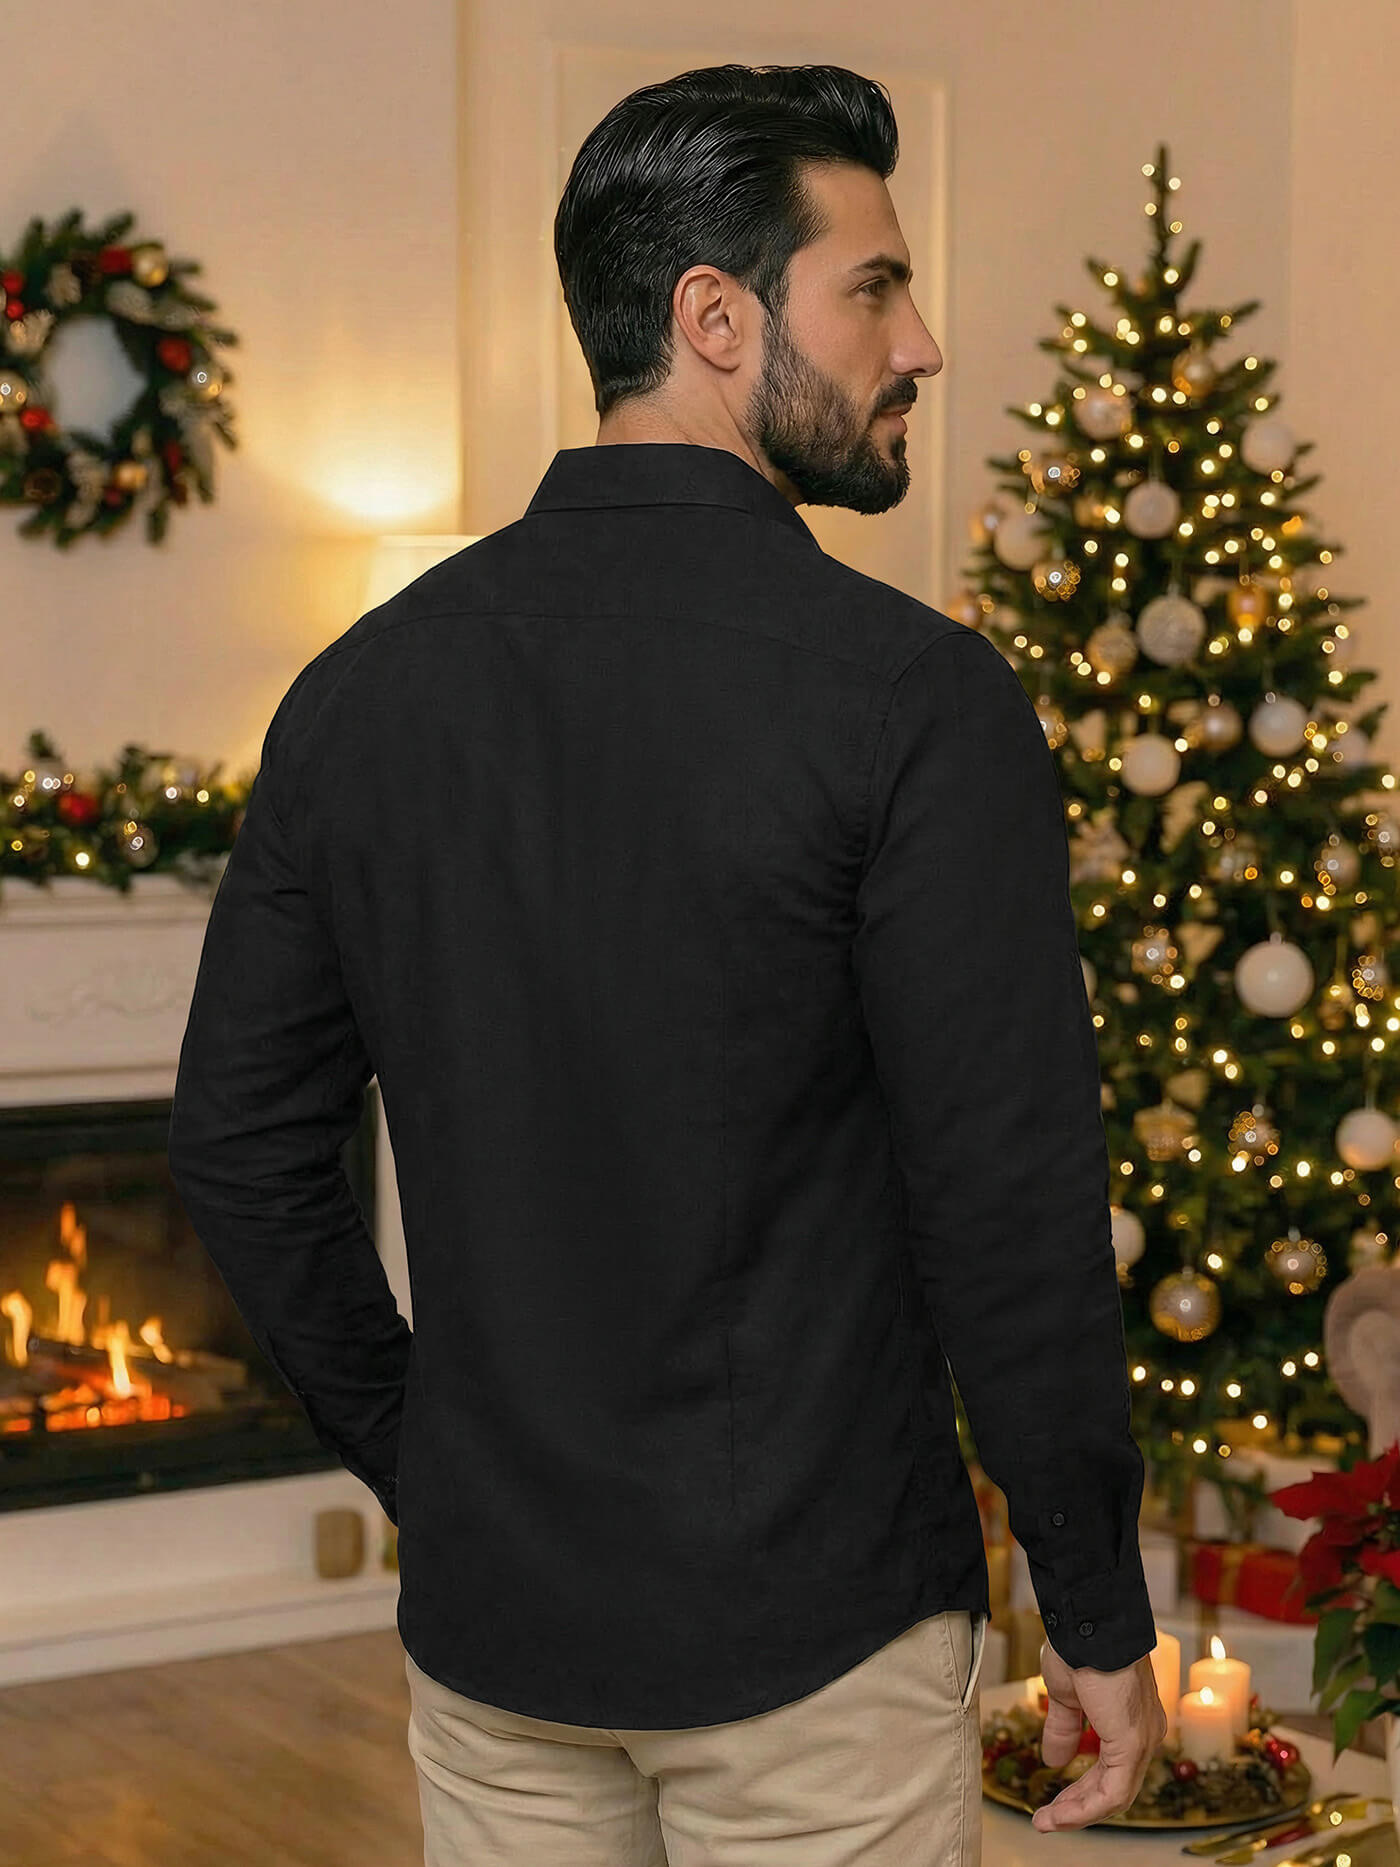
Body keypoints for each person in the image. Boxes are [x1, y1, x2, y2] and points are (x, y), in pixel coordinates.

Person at [166, 60, 1167, 1867]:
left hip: (501, 1635)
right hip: (815, 1640)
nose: (922, 343)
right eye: (876, 286)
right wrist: (1095, 1604)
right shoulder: (914, 699)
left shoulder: (359, 692)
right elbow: (1010, 1205)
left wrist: (431, 1463)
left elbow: (240, 1152)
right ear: (716, 317)